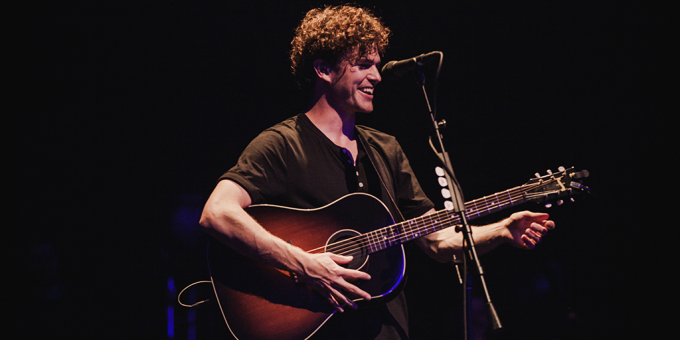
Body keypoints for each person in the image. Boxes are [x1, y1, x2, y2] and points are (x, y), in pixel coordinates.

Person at [199, 5, 555, 340]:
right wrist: (305, 264)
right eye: (362, 64)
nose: (377, 76)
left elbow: (436, 241)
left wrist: (501, 229)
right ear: (323, 69)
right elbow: (218, 214)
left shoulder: (385, 149)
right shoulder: (282, 144)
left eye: (377, 64)